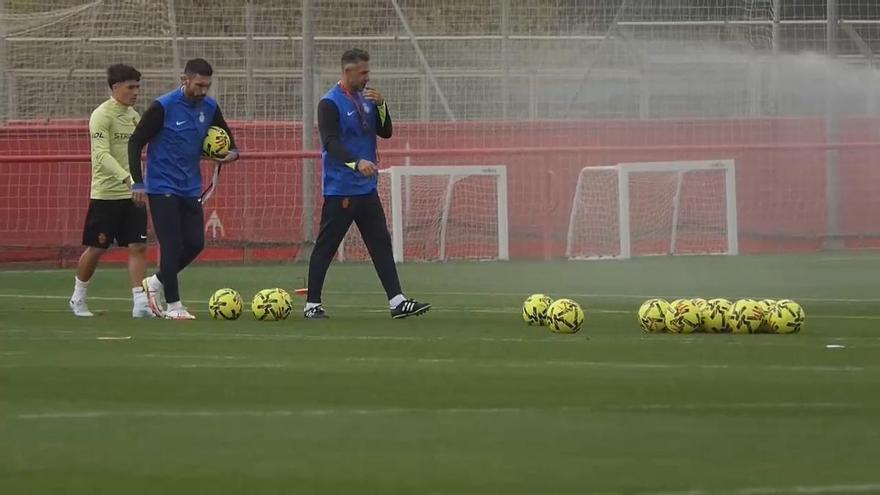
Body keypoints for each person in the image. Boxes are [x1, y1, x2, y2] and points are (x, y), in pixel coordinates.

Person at [305, 48, 430, 319]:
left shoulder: (367, 99)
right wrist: (356, 162)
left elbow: (385, 132)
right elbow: (330, 143)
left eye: (368, 72)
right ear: (348, 72)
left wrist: (382, 105)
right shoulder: (329, 103)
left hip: (366, 188)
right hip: (341, 189)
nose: (366, 78)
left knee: (380, 242)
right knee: (327, 245)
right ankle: (311, 304)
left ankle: (397, 301)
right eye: (363, 73)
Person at [128, 58, 239, 320]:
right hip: (161, 185)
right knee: (171, 244)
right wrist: (137, 182)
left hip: (191, 187)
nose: (203, 91)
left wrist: (232, 154)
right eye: (199, 85)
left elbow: (230, 140)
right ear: (185, 80)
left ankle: (154, 283)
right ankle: (173, 306)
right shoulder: (162, 107)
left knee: (195, 243)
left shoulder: (210, 107)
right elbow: (135, 143)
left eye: (207, 86)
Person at [70, 64, 152, 318]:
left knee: (138, 246)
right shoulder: (101, 115)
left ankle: (140, 303)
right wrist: (127, 179)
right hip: (107, 194)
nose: (136, 92)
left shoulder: (134, 117)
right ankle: (78, 297)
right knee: (97, 248)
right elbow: (101, 154)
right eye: (131, 87)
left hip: (134, 193)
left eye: (138, 86)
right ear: (115, 88)